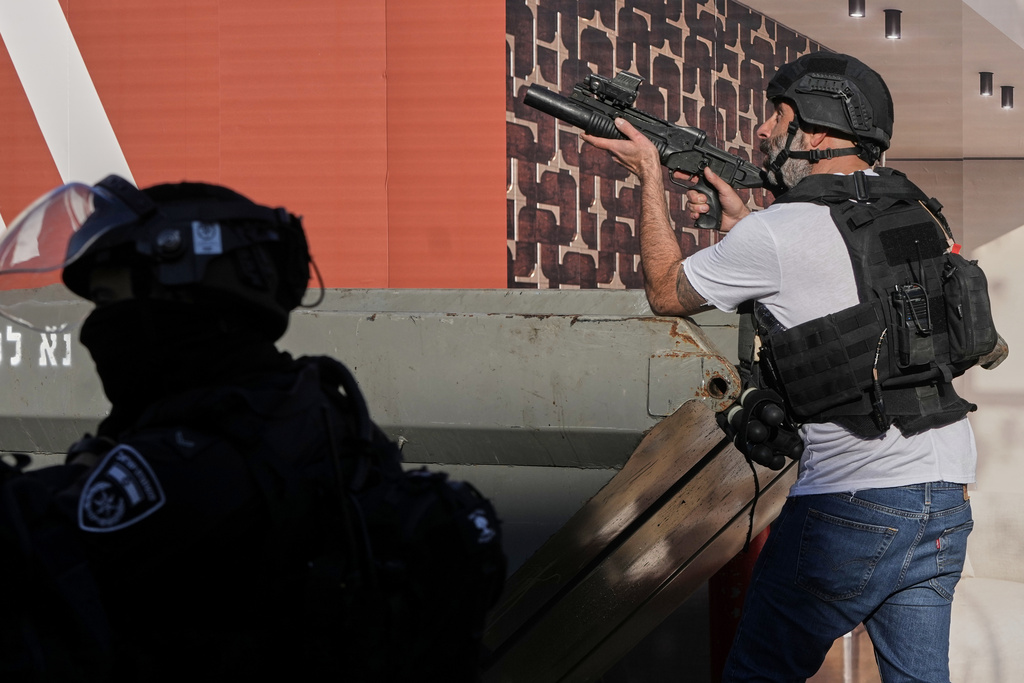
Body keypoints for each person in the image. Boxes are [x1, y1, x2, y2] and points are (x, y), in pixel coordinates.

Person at [583, 52, 1006, 682]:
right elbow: (851, 286)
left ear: (815, 130)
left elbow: (668, 292)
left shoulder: (777, 232)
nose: (761, 132)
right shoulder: (919, 213)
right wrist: (744, 226)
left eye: (775, 117)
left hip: (851, 502)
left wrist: (648, 175)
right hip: (945, 493)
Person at [0, 176, 505, 681]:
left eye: (112, 302)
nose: (99, 329)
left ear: (181, 290)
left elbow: (36, 547)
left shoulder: (201, 459)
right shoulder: (308, 408)